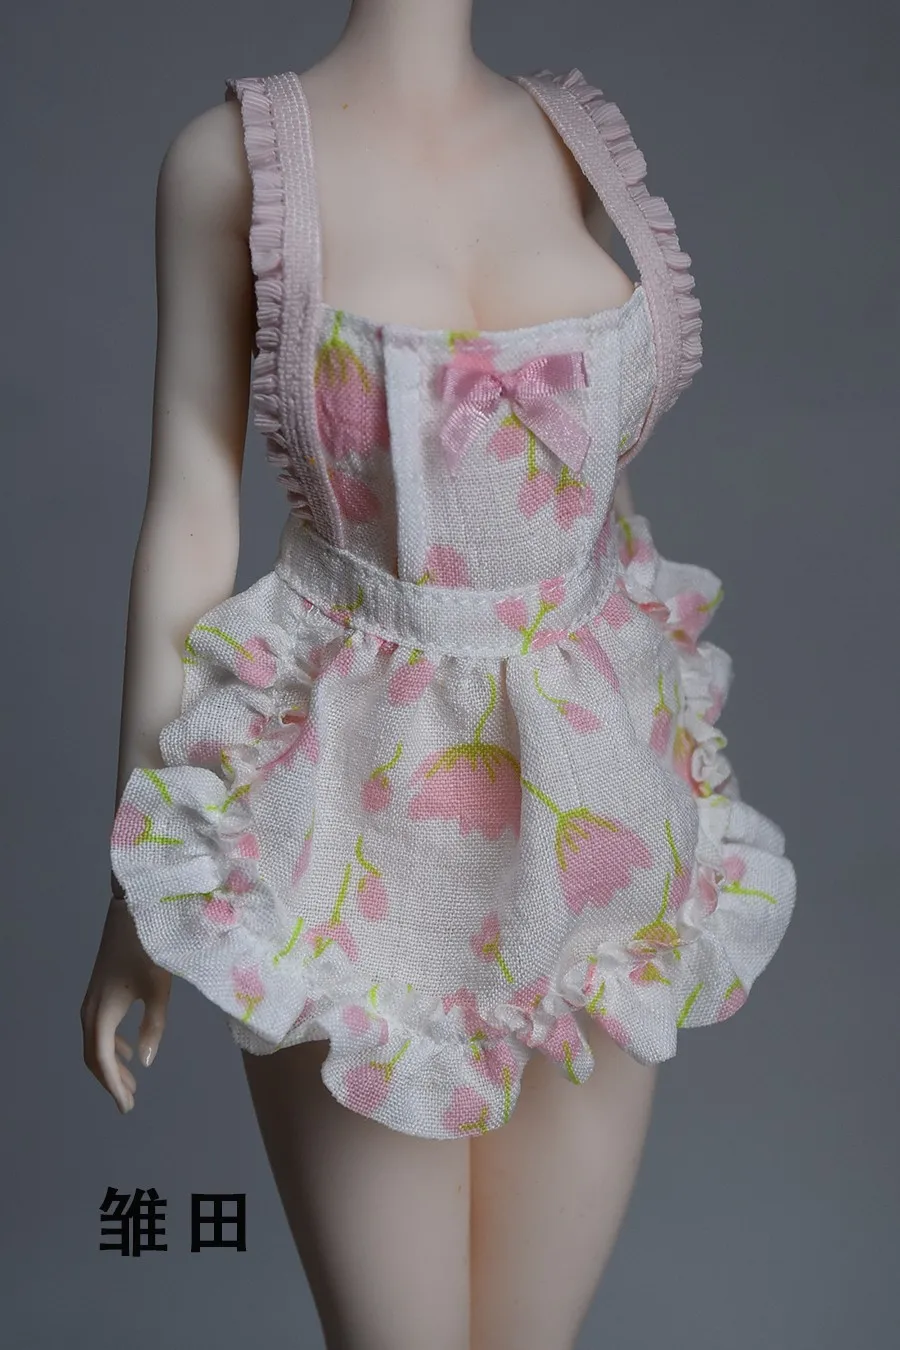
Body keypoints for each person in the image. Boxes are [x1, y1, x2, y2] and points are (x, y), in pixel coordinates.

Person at [81, 3, 796, 1347]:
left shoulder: (575, 142)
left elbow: (596, 507)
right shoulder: (236, 164)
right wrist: (138, 882)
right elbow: (189, 512)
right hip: (357, 825)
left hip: (598, 827)